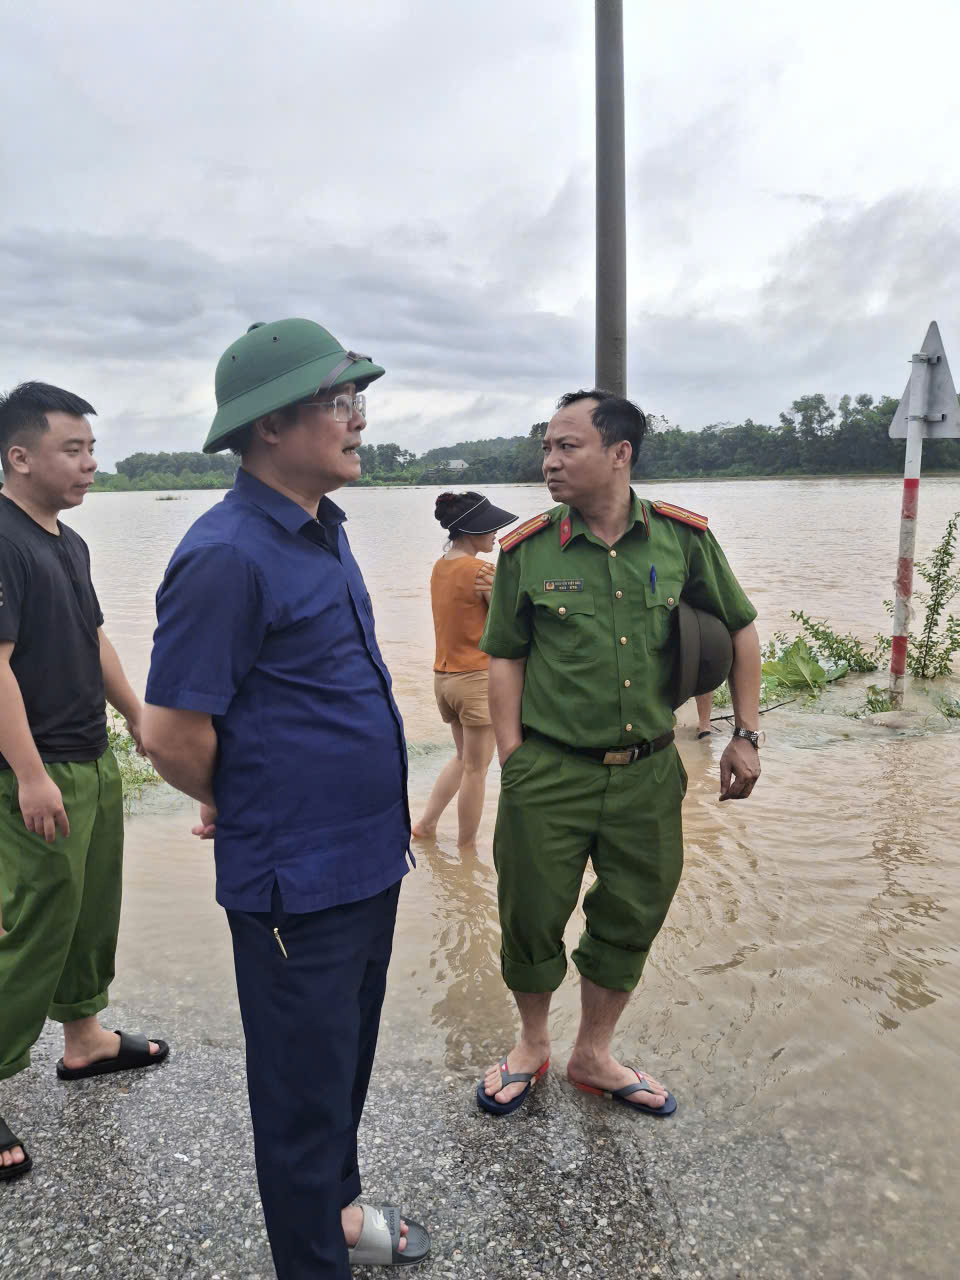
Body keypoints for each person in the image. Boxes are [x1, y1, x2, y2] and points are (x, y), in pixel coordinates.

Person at [141, 320, 430, 1278]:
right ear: (270, 425)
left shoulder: (321, 530)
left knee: (340, 1070)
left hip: (363, 861)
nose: (359, 421)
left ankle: (339, 1217)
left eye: (358, 401)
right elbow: (172, 732)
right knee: (301, 1100)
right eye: (339, 402)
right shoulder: (226, 554)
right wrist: (246, 800)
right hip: (294, 883)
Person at [476, 388, 762, 1117]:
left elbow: (739, 631)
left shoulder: (682, 539)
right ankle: (532, 1045)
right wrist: (514, 756)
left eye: (567, 445)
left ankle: (594, 1053)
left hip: (647, 772)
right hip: (550, 770)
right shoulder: (527, 549)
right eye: (546, 447)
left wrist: (746, 734)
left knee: (634, 912)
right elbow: (504, 656)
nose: (550, 461)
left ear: (620, 453)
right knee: (530, 913)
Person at [0, 382, 167, 1184]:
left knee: (91, 909)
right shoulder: (0, 537)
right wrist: (29, 775)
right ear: (19, 455)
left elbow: (94, 633)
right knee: (34, 926)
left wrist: (135, 715)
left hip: (89, 755)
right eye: (74, 449)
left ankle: (85, 1039)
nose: (91, 464)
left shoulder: (66, 541)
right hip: (30, 770)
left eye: (92, 449)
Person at [411, 490, 517, 849]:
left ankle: (425, 825)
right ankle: (467, 849)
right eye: (489, 529)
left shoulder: (440, 567)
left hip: (444, 679)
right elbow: (511, 623)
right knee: (477, 768)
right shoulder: (481, 570)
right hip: (475, 679)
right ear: (471, 530)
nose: (495, 535)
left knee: (462, 758)